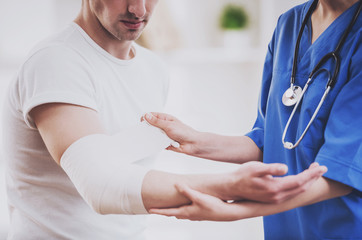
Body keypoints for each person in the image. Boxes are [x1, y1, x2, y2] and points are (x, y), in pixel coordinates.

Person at [1, 0, 327, 239]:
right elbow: (100, 184)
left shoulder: (152, 68)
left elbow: (124, 166)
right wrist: (227, 186)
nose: (139, 10)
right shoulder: (56, 62)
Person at [146, 0, 362, 239]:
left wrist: (234, 210)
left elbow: (341, 172)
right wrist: (197, 141)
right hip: (281, 230)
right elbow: (268, 141)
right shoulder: (289, 24)